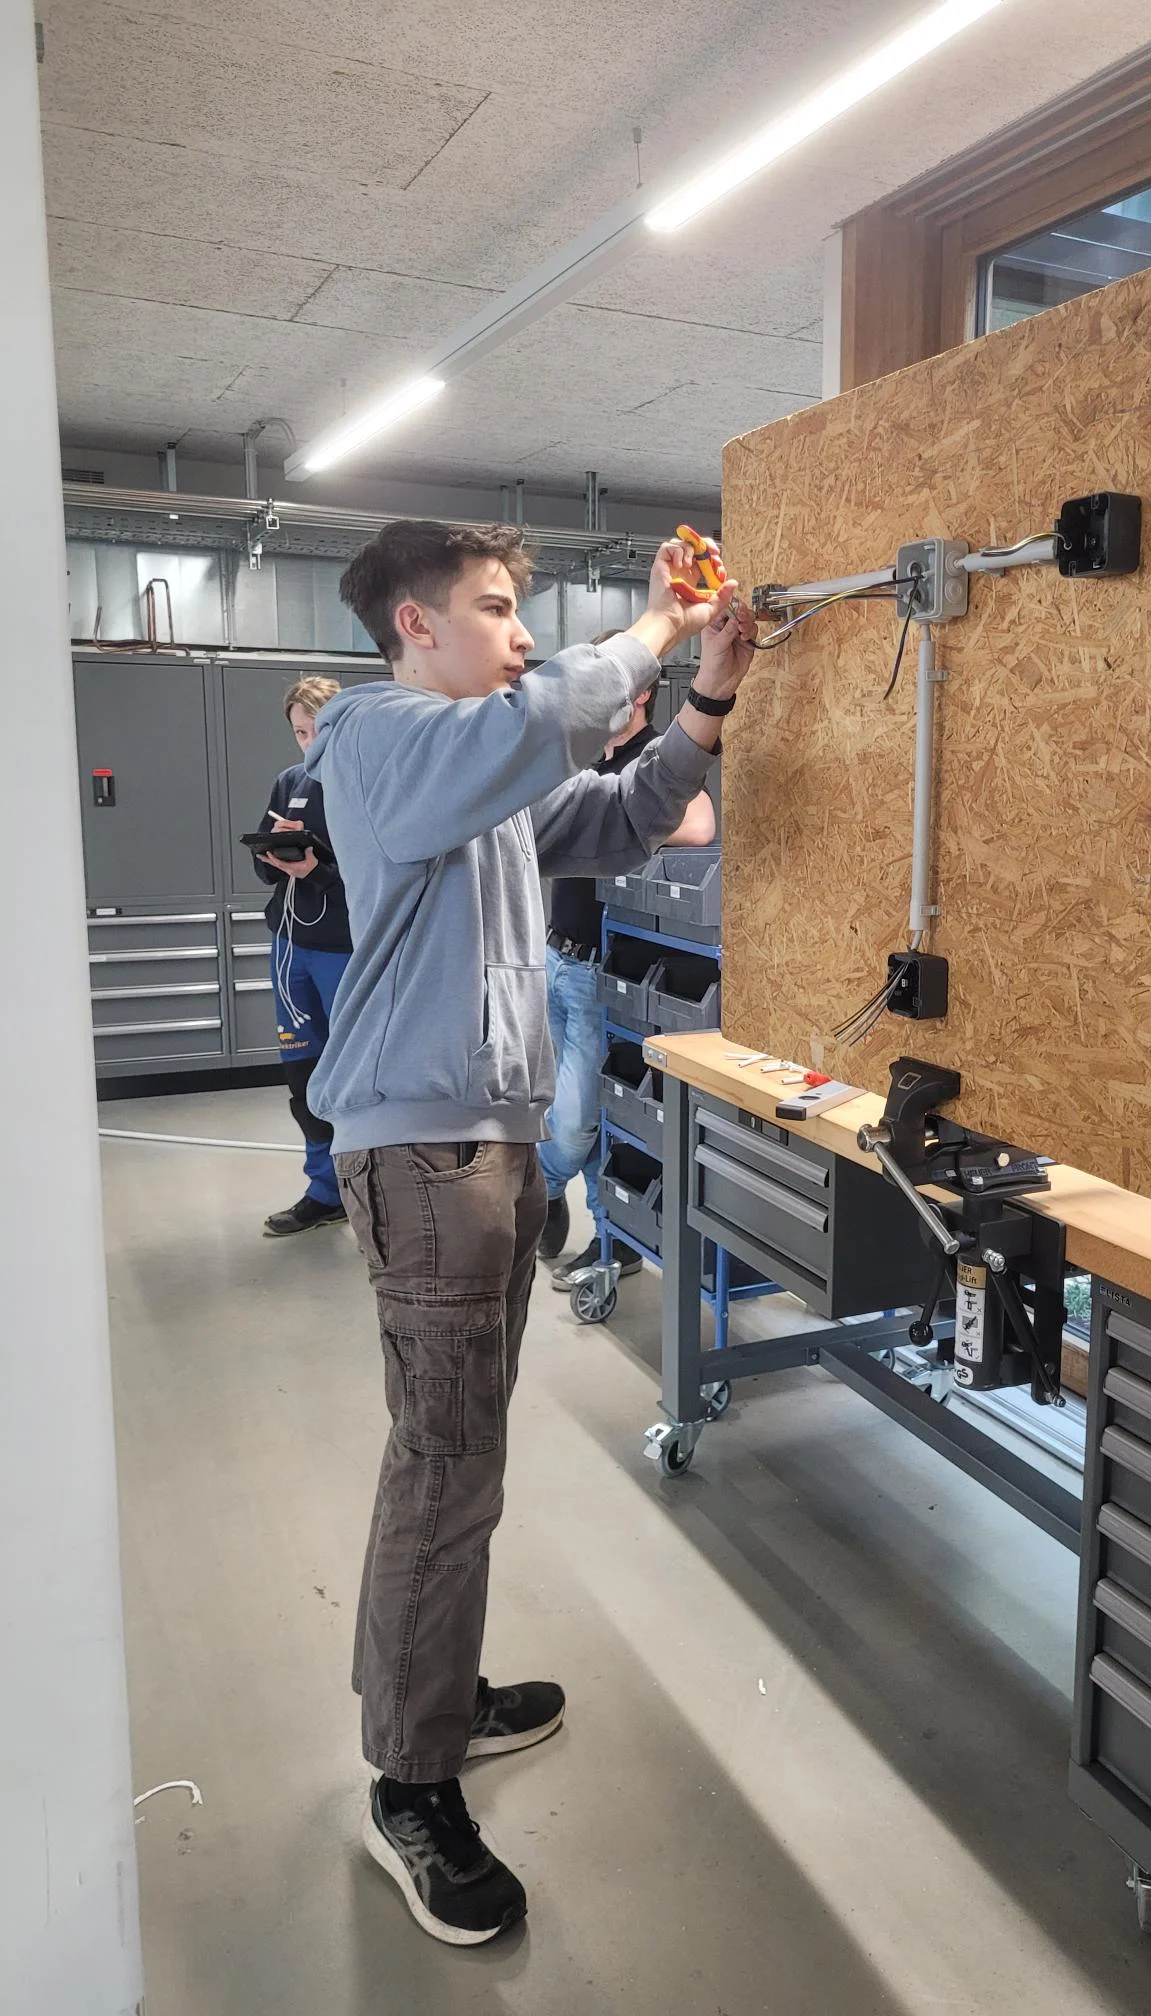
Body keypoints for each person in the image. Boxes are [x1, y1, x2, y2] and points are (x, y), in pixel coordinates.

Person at [301, 519, 755, 1945]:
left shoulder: (478, 785)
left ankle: (436, 1695)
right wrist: (658, 627)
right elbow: (556, 705)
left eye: (521, 613)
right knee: (445, 1463)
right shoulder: (378, 740)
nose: (517, 632)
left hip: (483, 1149)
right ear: (413, 630)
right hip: (426, 1152)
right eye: (494, 610)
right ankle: (410, 1782)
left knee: (462, 1451)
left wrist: (714, 694)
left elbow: (623, 814)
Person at [538, 636, 715, 1280]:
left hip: (595, 969)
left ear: (639, 695)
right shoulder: (581, 753)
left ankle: (540, 1189)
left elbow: (699, 825)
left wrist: (619, 816)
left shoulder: (652, 754)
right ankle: (608, 1233)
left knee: (580, 1117)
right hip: (553, 954)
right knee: (570, 1106)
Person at [252, 676, 353, 1237]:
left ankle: (370, 1189)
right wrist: (275, 853)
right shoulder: (289, 782)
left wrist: (320, 870)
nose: (308, 742)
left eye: (316, 730)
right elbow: (264, 870)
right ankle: (325, 1190)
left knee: (352, 1075)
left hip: (345, 948)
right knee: (303, 1073)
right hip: (292, 944)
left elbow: (381, 882)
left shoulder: (365, 785)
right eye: (298, 732)